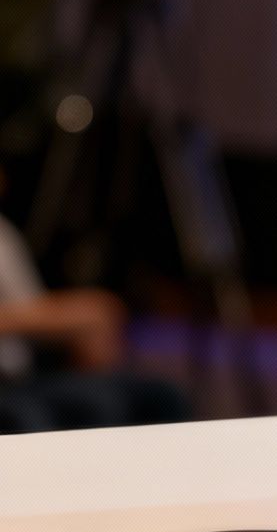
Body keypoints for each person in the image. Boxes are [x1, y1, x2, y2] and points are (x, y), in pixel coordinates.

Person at [0, 162, 184, 433]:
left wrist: (81, 322)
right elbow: (30, 315)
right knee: (50, 412)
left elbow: (32, 309)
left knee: (161, 395)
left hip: (25, 373)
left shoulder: (4, 235)